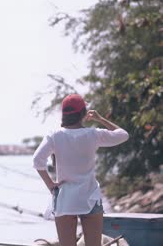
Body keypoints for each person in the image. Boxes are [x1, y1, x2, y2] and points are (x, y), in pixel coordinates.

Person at [33, 94, 129, 246]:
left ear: (64, 115)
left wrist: (51, 185)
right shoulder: (93, 134)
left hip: (65, 199)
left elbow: (37, 160)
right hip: (90, 196)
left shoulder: (54, 136)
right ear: (83, 113)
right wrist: (100, 119)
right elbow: (123, 135)